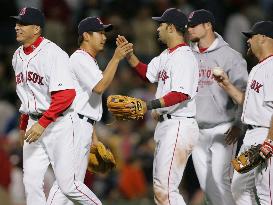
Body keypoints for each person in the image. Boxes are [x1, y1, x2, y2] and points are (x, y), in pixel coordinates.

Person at [11, 7, 102, 205]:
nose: (17, 27)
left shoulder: (53, 54)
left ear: (36, 29)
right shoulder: (17, 56)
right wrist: (22, 125)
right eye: (17, 23)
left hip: (58, 124)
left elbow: (67, 95)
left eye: (22, 24)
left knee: (68, 185)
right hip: (34, 124)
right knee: (31, 181)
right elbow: (27, 97)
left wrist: (42, 123)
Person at [116, 8, 199, 205]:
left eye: (161, 24)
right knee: (161, 189)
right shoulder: (166, 55)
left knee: (165, 189)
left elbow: (181, 93)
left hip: (179, 124)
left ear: (171, 27)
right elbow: (147, 74)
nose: (158, 28)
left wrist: (149, 105)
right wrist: (130, 56)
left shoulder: (184, 56)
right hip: (167, 125)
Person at [47, 16, 133, 204]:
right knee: (69, 185)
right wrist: (117, 58)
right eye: (99, 33)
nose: (104, 37)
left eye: (104, 33)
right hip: (74, 125)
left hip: (81, 124)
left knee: (66, 186)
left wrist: (92, 136)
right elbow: (100, 86)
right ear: (86, 35)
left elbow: (84, 102)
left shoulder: (88, 61)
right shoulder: (79, 58)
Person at [187, 9, 249, 205]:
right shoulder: (187, 55)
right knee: (207, 186)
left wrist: (239, 124)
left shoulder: (231, 56)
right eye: (188, 25)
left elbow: (244, 94)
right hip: (196, 129)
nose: (189, 29)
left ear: (208, 25)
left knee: (221, 181)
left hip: (224, 128)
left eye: (194, 25)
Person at [214, 20, 273, 205]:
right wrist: (226, 84)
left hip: (266, 133)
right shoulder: (257, 67)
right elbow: (247, 103)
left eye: (251, 36)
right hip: (251, 135)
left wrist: (269, 141)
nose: (248, 40)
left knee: (267, 194)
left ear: (263, 38)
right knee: (239, 189)